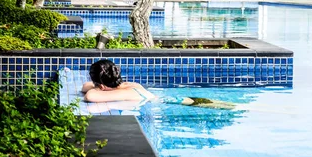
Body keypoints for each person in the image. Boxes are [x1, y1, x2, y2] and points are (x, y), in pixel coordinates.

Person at [82, 59, 236, 109]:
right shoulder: (127, 85)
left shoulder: (126, 92)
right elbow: (86, 86)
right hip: (176, 99)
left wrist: (98, 87)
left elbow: (90, 94)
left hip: (173, 102)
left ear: (102, 86)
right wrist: (99, 85)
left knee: (226, 107)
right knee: (224, 105)